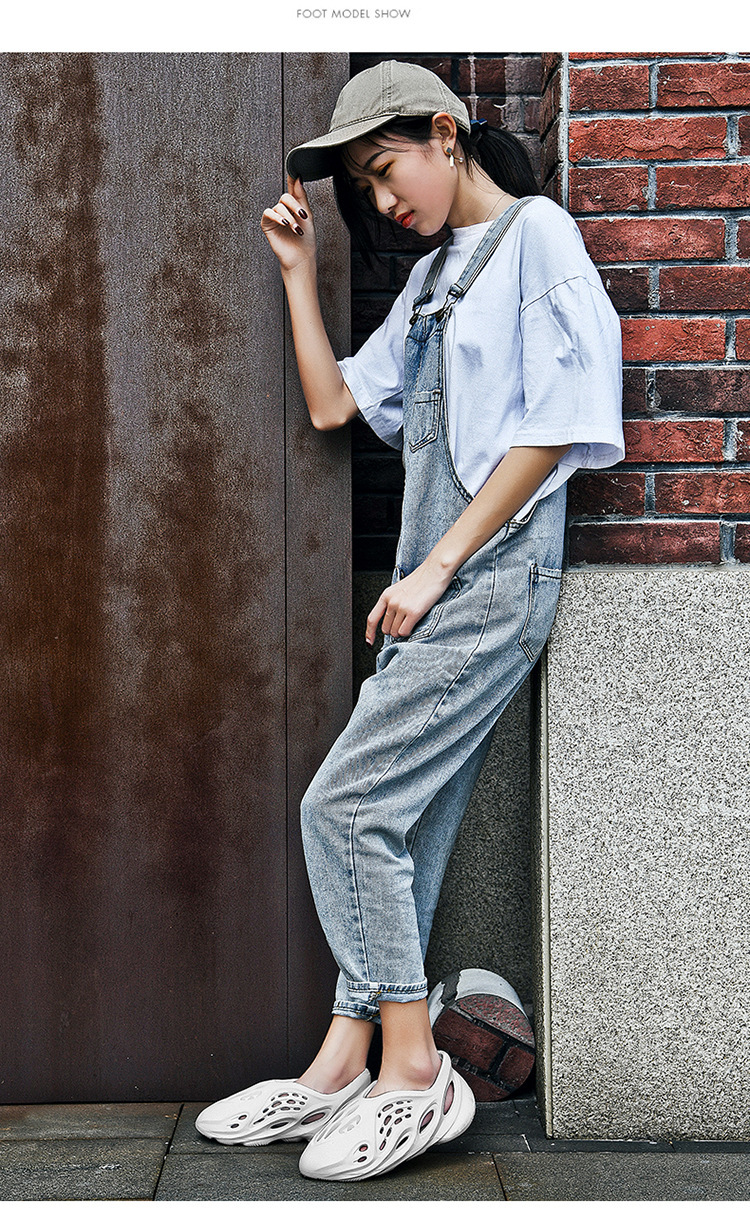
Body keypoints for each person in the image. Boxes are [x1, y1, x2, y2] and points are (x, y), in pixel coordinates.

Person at [196, 59, 624, 1182]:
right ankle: (341, 1062)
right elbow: (336, 403)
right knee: (401, 822)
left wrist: (437, 567)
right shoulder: (433, 279)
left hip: (488, 581)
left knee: (345, 807)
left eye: (388, 170)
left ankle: (413, 1069)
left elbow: (560, 422)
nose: (383, 200)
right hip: (431, 593)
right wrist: (298, 273)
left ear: (446, 132)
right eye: (365, 187)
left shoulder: (538, 238)